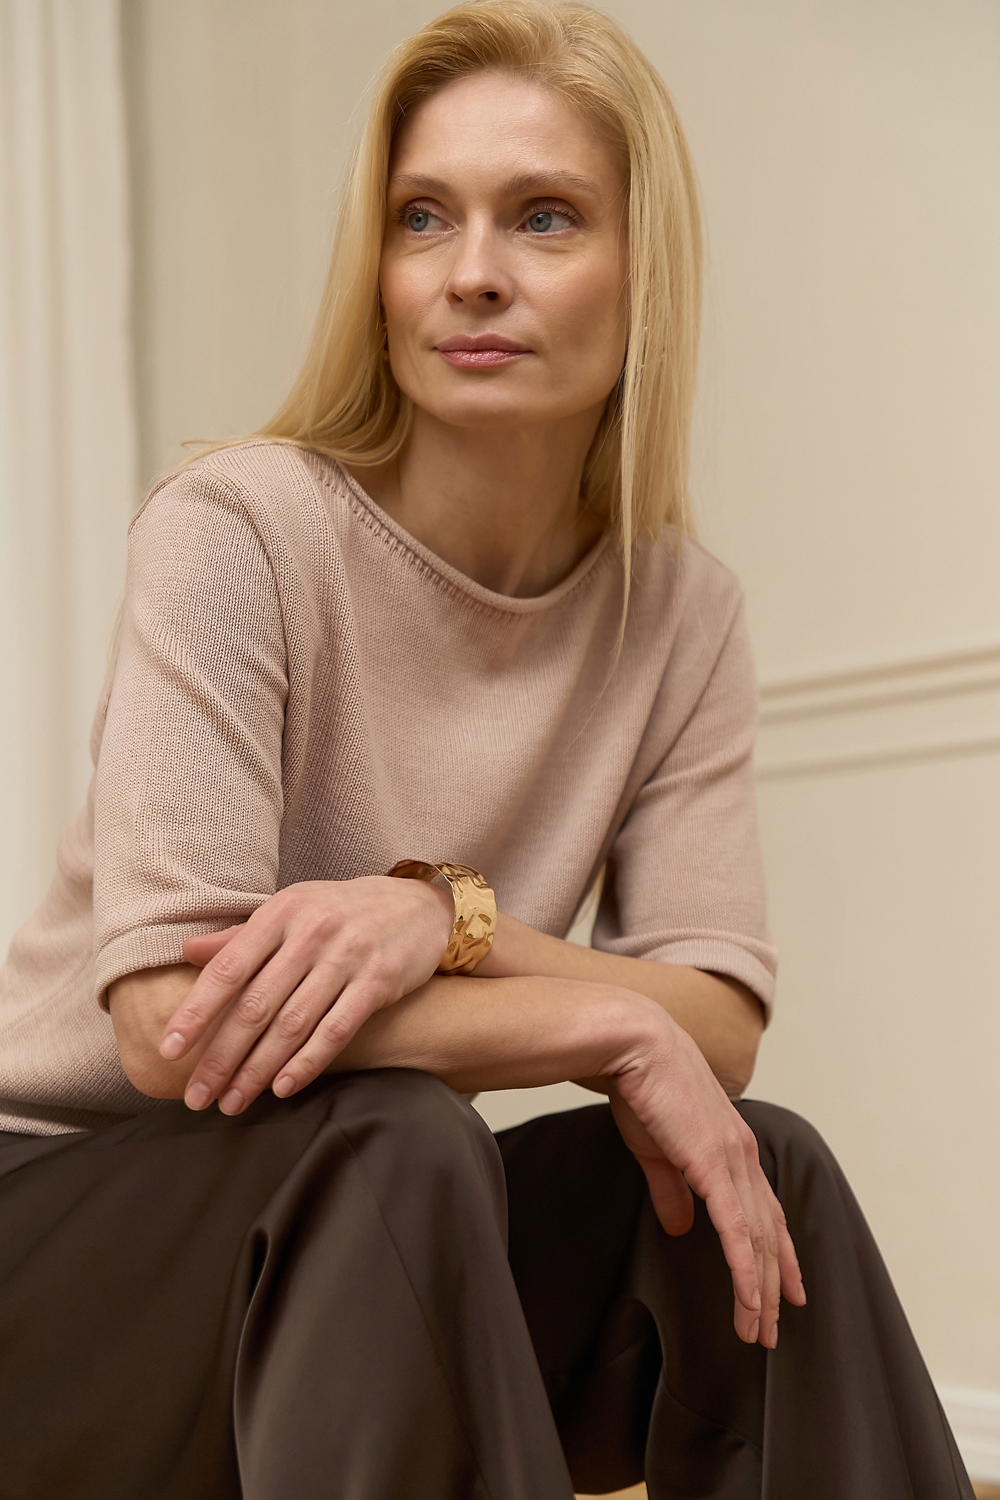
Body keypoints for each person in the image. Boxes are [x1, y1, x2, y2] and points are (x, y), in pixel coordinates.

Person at [0, 4, 974, 1497]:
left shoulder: (677, 609)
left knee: (755, 1164)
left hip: (351, 1247)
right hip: (58, 1253)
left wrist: (442, 924)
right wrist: (607, 1027)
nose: (471, 272)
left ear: (645, 272)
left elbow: (717, 1016)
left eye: (544, 217)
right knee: (391, 1137)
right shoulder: (238, 529)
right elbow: (167, 1021)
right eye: (422, 218)